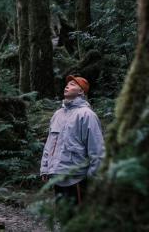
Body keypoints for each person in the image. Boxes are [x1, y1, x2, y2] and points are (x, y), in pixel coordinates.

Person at [40, 75, 105, 205]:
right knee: (64, 219)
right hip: (57, 177)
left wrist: (93, 179)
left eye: (72, 84)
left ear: (81, 91)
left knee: (78, 221)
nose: (67, 86)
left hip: (77, 179)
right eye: (67, 84)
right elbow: (50, 143)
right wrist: (45, 168)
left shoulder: (87, 115)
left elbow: (97, 149)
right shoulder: (58, 114)